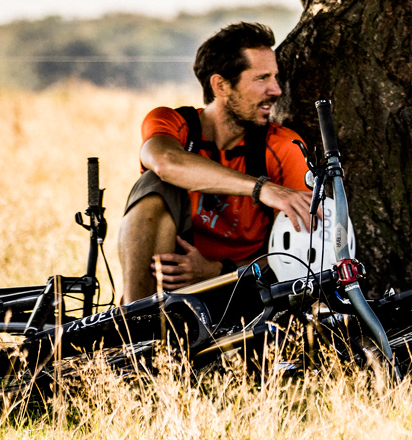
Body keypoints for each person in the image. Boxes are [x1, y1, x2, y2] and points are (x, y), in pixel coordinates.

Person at [119, 22, 313, 303]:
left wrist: (219, 272)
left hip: (244, 288)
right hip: (171, 284)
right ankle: (135, 326)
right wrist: (263, 188)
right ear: (220, 85)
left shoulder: (284, 146)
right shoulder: (173, 123)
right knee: (154, 184)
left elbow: (300, 249)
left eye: (275, 77)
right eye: (261, 79)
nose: (276, 90)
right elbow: (164, 161)